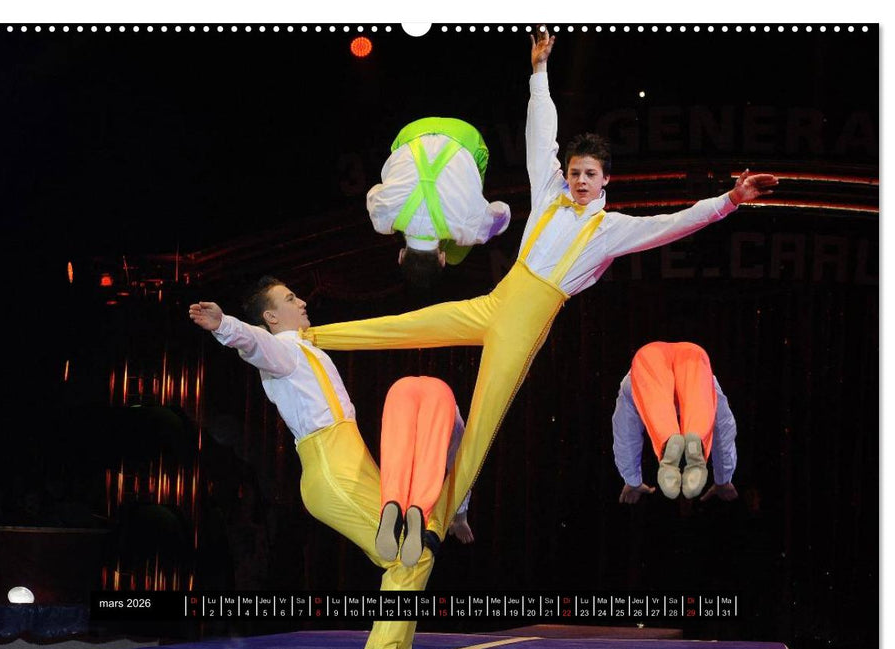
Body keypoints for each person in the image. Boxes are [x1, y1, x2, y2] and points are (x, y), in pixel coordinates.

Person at [299, 28, 776, 548]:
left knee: (480, 425)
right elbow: (540, 134)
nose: (579, 180)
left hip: (522, 329)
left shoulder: (610, 230)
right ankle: (306, 340)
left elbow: (674, 222)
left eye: (590, 174)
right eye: (575, 172)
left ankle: (435, 522)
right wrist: (540, 71)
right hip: (495, 303)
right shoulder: (549, 190)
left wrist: (729, 199)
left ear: (605, 181)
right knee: (403, 326)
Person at [189, 279, 431, 649]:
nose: (301, 302)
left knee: (415, 549)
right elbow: (254, 343)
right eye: (289, 299)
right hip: (332, 467)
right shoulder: (283, 350)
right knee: (408, 554)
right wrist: (224, 326)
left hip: (351, 459)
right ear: (271, 317)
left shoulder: (303, 348)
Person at [368, 117, 511, 290]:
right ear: (401, 255)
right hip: (412, 132)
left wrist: (475, 232)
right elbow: (375, 191)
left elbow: (503, 212)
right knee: (395, 163)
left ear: (441, 259)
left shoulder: (470, 230)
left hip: (465, 135)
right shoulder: (382, 220)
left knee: (456, 255)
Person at [613, 342, 739, 504]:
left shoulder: (630, 381)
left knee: (657, 409)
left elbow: (625, 431)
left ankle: (667, 441)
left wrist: (632, 479)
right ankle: (697, 441)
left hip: (648, 358)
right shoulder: (710, 381)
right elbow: (723, 427)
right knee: (700, 412)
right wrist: (723, 478)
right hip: (693, 357)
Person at [377, 376, 472, 566]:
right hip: (441, 395)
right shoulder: (455, 427)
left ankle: (392, 501)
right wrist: (460, 517)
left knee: (396, 456)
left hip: (399, 389)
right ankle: (419, 510)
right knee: (431, 460)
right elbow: (461, 470)